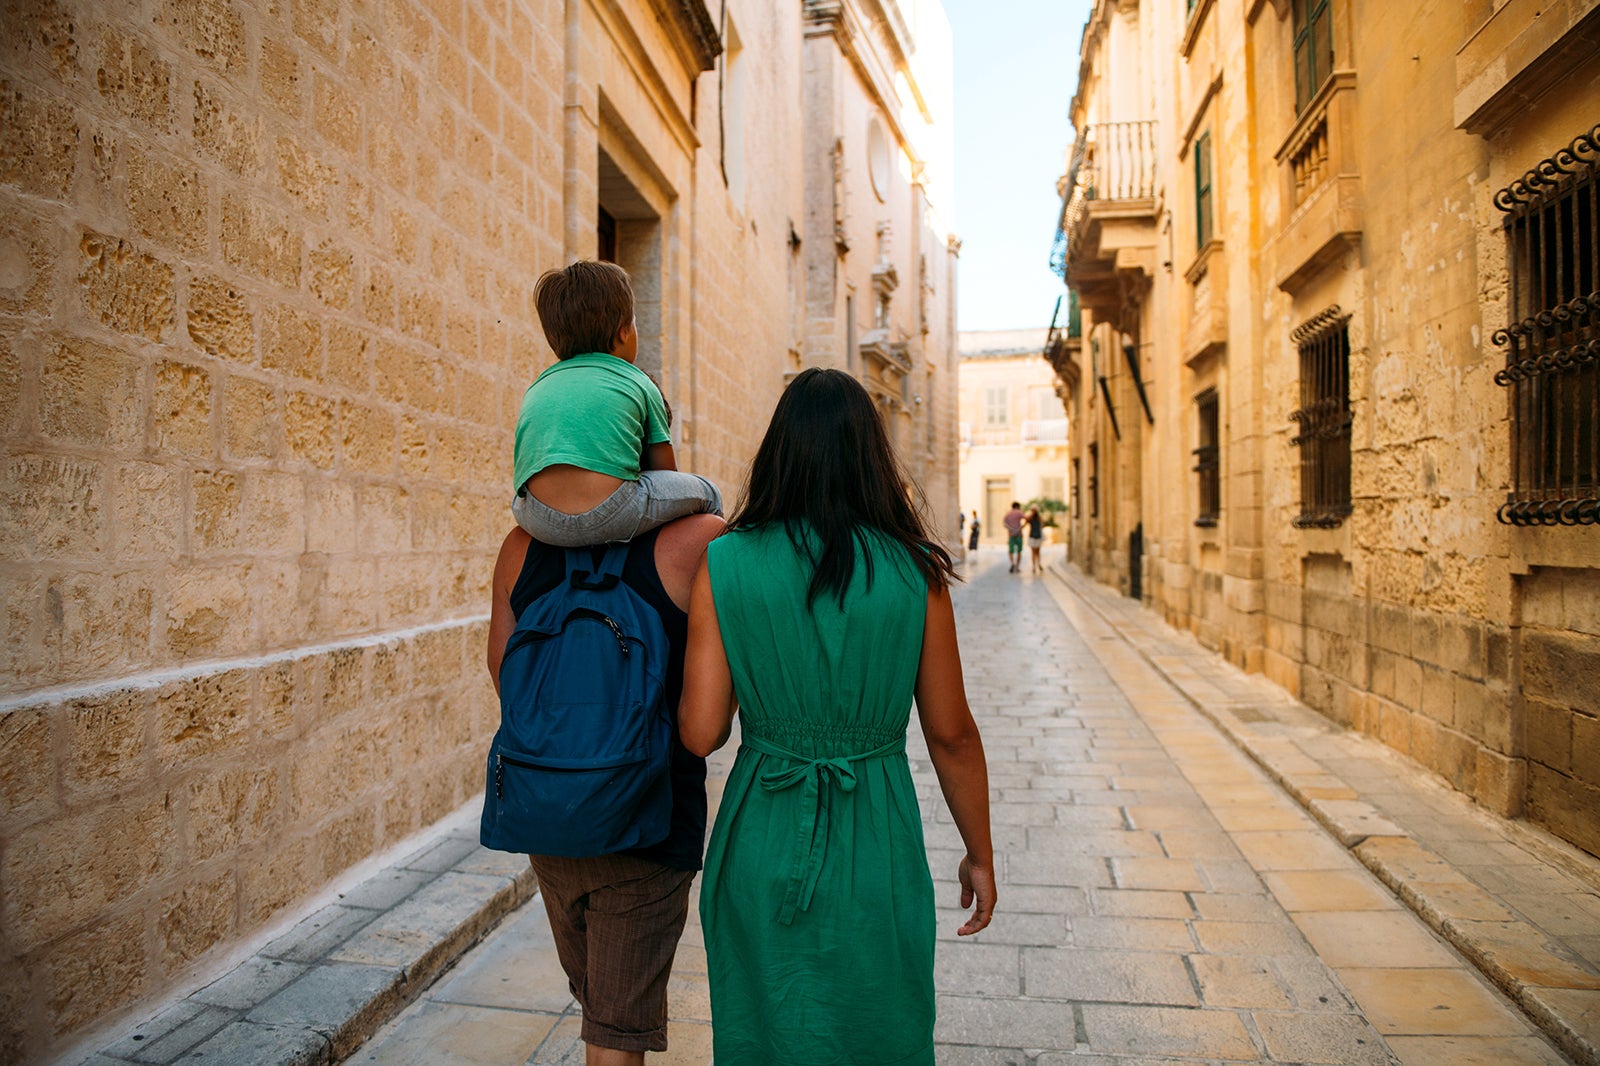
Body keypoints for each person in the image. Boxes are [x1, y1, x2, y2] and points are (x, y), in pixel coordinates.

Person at [679, 368, 996, 1065]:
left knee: (766, 1031)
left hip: (760, 832)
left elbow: (701, 732)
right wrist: (980, 852)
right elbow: (951, 734)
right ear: (869, 456)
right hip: (875, 837)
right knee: (878, 1027)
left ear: (778, 453)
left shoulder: (724, 563)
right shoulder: (917, 572)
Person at [486, 511, 724, 1064]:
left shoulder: (520, 546)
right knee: (614, 1032)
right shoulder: (698, 540)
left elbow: (506, 677)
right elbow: (704, 727)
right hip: (648, 829)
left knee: (600, 1008)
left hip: (547, 820)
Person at [512, 259, 721, 547]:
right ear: (624, 331)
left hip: (538, 518)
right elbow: (665, 473)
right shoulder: (637, 380)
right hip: (611, 513)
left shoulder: (538, 386)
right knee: (709, 493)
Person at [1003, 500, 1025, 573]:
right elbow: (1026, 519)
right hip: (1019, 534)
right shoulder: (1019, 512)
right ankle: (1017, 567)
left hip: (1011, 535)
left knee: (1011, 551)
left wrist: (1011, 528)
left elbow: (1004, 524)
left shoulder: (1008, 514)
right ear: (1018, 507)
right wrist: (1021, 527)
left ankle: (1012, 563)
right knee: (1019, 551)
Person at [1025, 505, 1044, 574]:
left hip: (1037, 536)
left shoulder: (1039, 518)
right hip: (1032, 536)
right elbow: (1026, 521)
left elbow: (1043, 524)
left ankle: (1038, 564)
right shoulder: (1030, 518)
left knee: (1037, 552)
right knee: (1033, 552)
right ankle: (1034, 566)